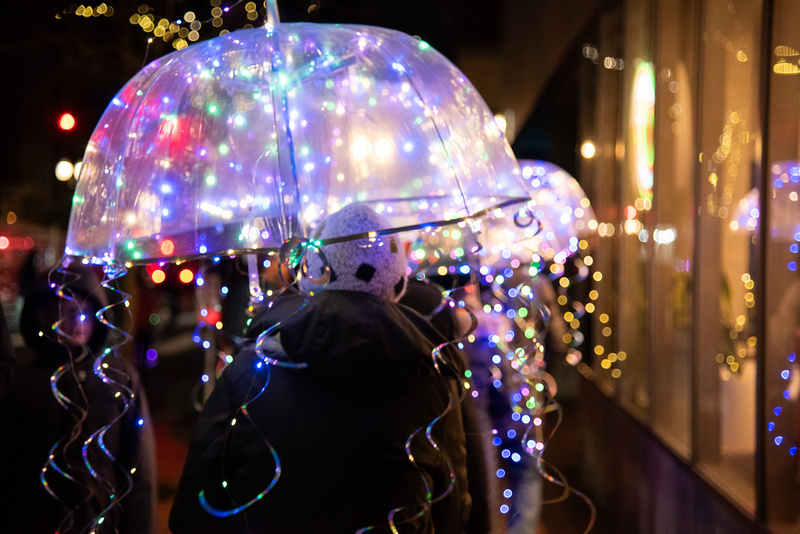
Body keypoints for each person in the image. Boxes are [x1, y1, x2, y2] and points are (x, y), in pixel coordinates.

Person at [170, 203, 474, 533]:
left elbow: (194, 510)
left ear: (312, 272)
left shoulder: (251, 369)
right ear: (397, 282)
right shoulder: (434, 379)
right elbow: (453, 510)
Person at [0, 266, 158, 533]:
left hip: (100, 524)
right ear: (39, 315)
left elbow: (139, 469)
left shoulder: (118, 379)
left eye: (79, 313)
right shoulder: (22, 380)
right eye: (56, 311)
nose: (70, 322)